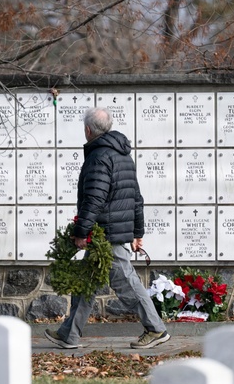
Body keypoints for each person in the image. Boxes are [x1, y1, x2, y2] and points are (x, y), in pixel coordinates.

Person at [45, 107, 171, 350]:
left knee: (126, 282)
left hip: (107, 233)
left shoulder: (99, 156)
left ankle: (156, 329)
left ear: (88, 130)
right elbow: (136, 196)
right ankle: (68, 334)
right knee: (87, 283)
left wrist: (81, 231)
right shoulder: (122, 154)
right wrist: (137, 232)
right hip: (109, 231)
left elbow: (94, 197)